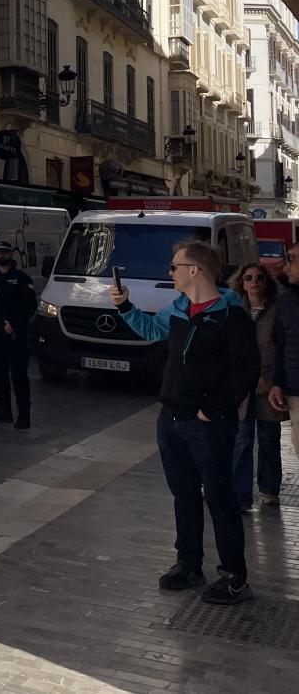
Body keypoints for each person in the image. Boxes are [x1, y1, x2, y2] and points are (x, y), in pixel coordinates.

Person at [110, 240, 259, 605]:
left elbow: (246, 370)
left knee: (220, 498)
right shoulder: (178, 309)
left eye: (175, 266)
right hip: (171, 420)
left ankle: (234, 577)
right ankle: (189, 563)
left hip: (207, 424)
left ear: (195, 270)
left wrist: (215, 408)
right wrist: (125, 306)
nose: (170, 272)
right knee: (184, 495)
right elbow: (150, 329)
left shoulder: (230, 315)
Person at [228, 263, 284, 510]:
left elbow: (282, 346)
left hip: (268, 385)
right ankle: (240, 495)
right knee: (242, 439)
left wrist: (273, 379)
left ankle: (269, 489)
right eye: (248, 277)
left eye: (259, 277)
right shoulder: (234, 309)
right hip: (241, 385)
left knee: (269, 438)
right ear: (241, 282)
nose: (254, 282)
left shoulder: (278, 310)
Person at [0, 241, 37, 430]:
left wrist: (15, 325)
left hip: (14, 336)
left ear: (11, 255)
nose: (2, 256)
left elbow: (30, 306)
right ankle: (4, 410)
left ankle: (24, 415)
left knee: (19, 375)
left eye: (5, 252)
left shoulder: (22, 279)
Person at [266, 241, 299, 474]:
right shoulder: (286, 301)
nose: (286, 268)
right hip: (295, 392)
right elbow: (279, 344)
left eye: (292, 259)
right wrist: (277, 382)